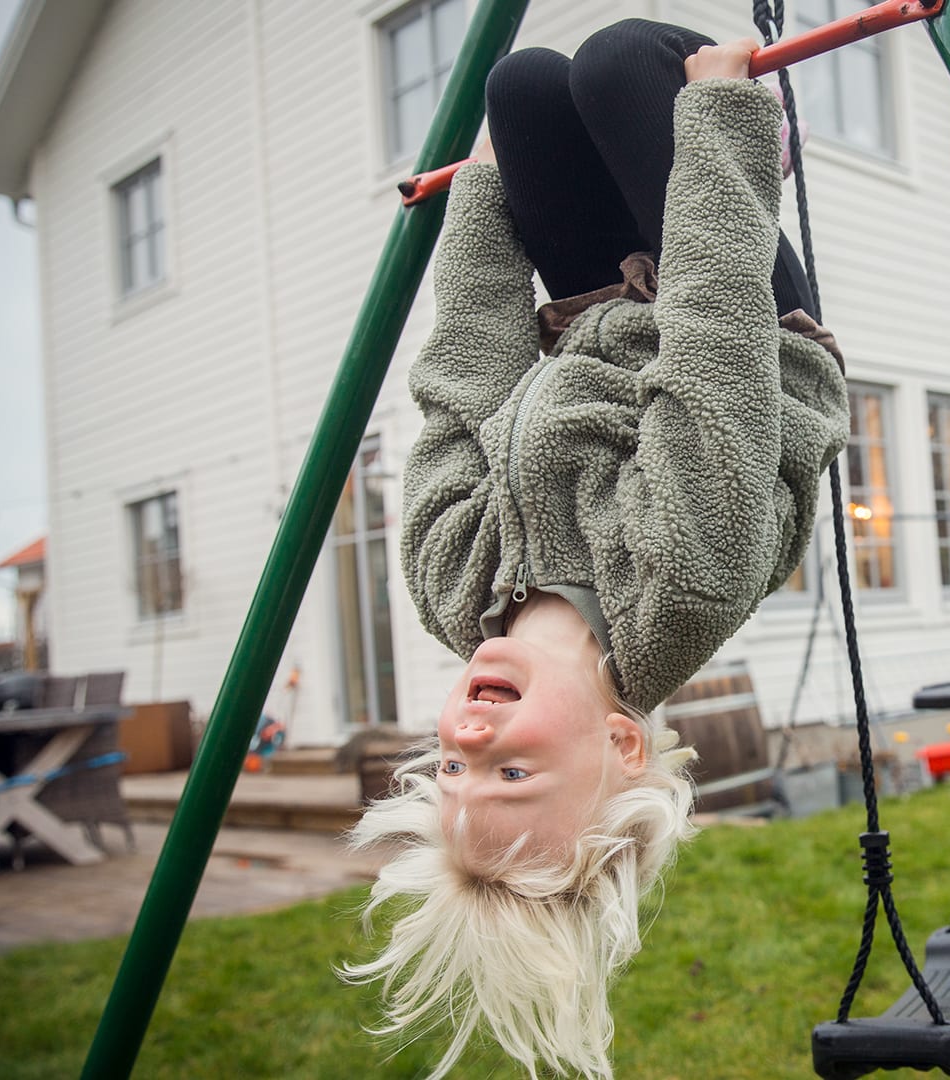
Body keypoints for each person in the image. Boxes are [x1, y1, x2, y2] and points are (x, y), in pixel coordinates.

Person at [342, 22, 850, 1080]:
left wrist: (480, 209)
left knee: (518, 91)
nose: (472, 731)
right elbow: (715, 342)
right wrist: (729, 124)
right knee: (624, 65)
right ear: (620, 747)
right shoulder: (682, 583)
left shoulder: (451, 586)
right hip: (743, 323)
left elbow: (462, 391)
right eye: (513, 766)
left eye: (451, 763)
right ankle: (748, 129)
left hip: (588, 318)